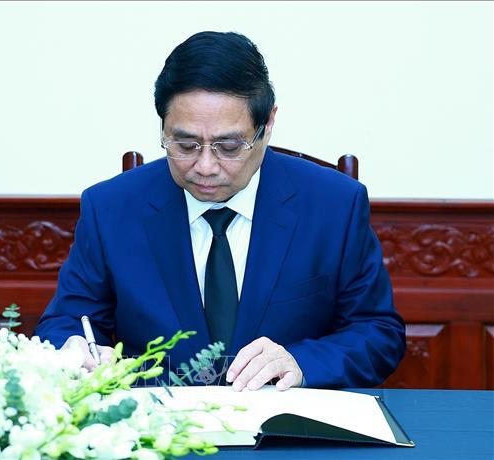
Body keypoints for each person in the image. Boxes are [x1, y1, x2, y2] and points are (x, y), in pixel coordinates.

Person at [34, 31, 406, 391]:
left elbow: (378, 333)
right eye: (185, 145)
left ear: (267, 125)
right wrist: (74, 349)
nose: (206, 166)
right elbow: (66, 322)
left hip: (284, 422)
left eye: (228, 147)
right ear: (163, 127)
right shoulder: (111, 208)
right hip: (159, 422)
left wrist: (302, 362)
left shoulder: (334, 205)